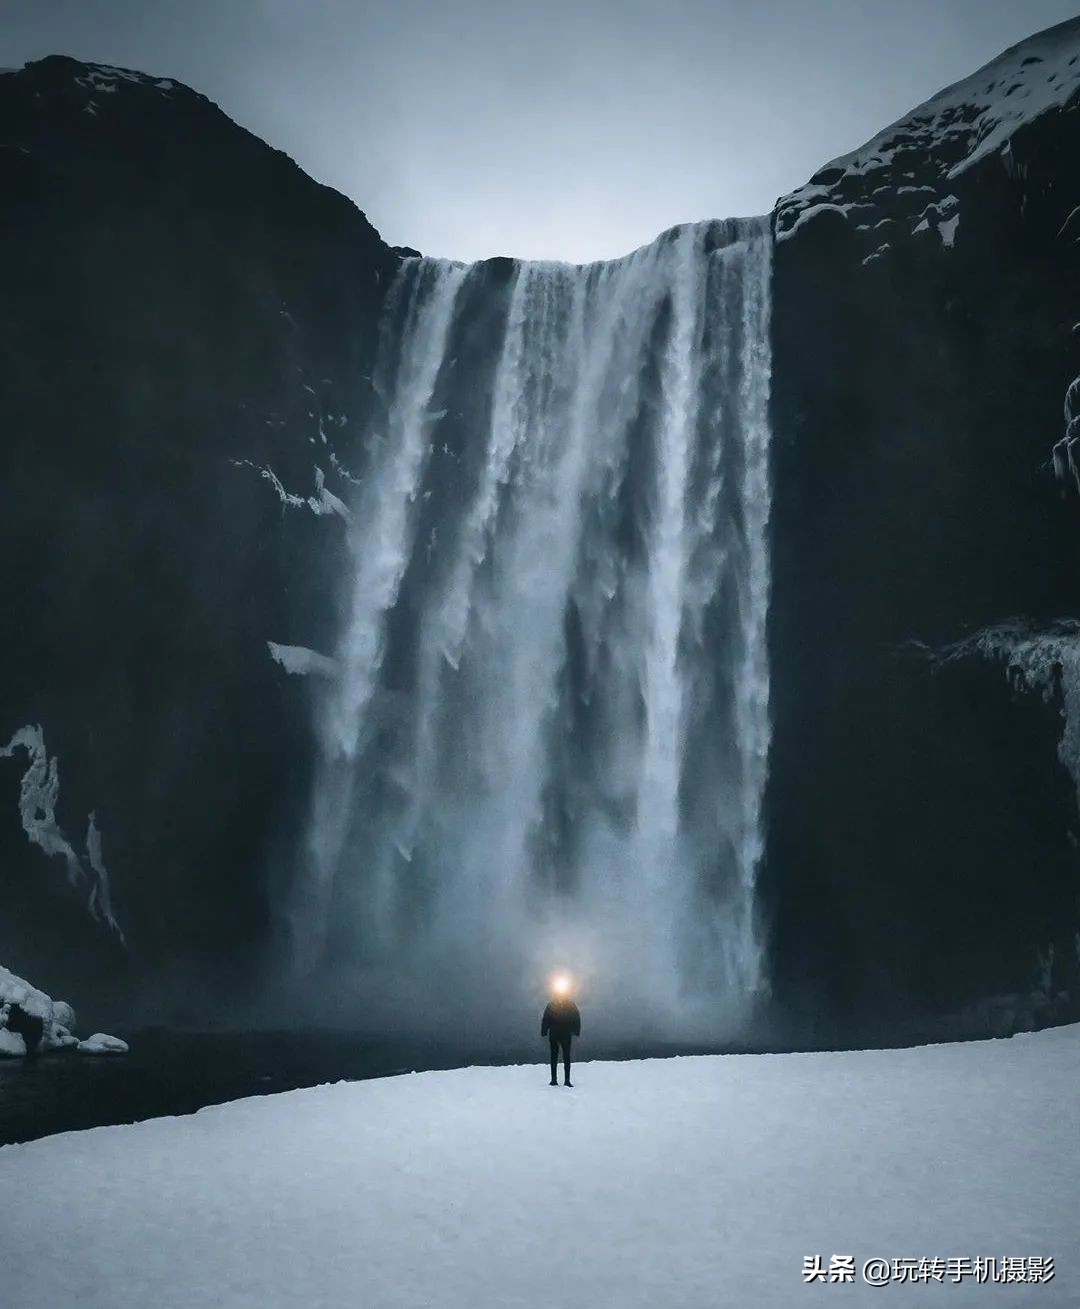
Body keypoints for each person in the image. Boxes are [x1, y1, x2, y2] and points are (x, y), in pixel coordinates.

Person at [541, 977, 581, 1087]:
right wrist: (544, 1031)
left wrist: (576, 1030)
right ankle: (554, 1080)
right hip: (556, 1034)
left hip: (564, 1034)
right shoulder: (552, 1005)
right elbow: (546, 1018)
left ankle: (566, 1080)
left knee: (565, 1057)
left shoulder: (569, 1005)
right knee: (555, 1057)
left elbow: (576, 1018)